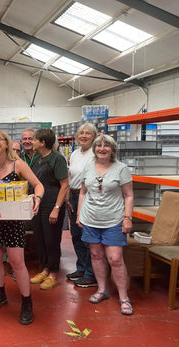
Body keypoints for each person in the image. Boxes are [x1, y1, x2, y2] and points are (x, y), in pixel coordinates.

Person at [0, 130, 44, 325]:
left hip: (13, 221)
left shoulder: (18, 165)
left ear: (6, 144)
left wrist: (37, 198)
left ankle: (26, 302)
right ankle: (0, 294)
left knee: (17, 262)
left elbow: (38, 185)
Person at [77, 134, 134, 316]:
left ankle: (124, 297)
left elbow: (129, 195)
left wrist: (127, 217)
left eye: (106, 146)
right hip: (91, 219)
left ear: (112, 149)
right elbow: (83, 193)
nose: (102, 148)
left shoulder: (121, 169)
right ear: (94, 149)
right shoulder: (88, 168)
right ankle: (102, 290)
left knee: (115, 259)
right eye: (99, 146)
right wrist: (79, 214)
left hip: (114, 220)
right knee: (95, 255)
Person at [29, 129, 69, 290]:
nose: (32, 142)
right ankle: (45, 269)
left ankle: (53, 273)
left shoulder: (57, 159)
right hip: (39, 204)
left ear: (42, 142)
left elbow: (65, 185)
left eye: (34, 140)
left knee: (52, 239)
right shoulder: (37, 158)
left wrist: (56, 209)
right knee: (40, 238)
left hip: (52, 204)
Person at [66, 123, 98, 288]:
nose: (84, 136)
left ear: (94, 136)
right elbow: (70, 175)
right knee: (76, 235)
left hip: (87, 197)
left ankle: (91, 275)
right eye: (81, 133)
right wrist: (67, 197)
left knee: (87, 237)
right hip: (73, 195)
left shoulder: (95, 154)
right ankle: (81, 268)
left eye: (88, 133)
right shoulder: (75, 153)